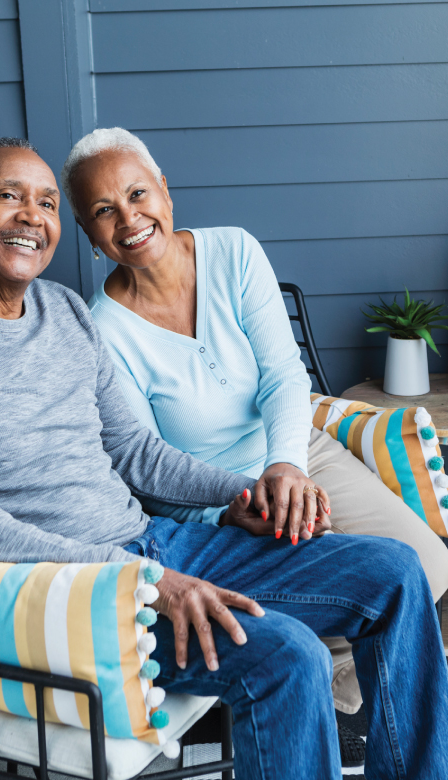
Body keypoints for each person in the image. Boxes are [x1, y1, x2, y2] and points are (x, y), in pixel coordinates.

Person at [0, 137, 448, 780]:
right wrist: (138, 582)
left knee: (393, 572)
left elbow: (134, 451)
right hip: (80, 591)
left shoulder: (60, 311)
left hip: (154, 544)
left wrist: (237, 495)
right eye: (9, 196)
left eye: (47, 202)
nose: (33, 215)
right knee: (288, 654)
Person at [61, 126, 448, 719]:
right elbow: (144, 465)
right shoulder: (102, 332)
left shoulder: (234, 250)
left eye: (138, 194)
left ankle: (349, 681)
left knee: (427, 564)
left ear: (165, 190)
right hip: (214, 505)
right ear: (89, 234)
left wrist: (287, 463)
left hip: (294, 450)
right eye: (104, 211)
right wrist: (226, 509)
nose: (129, 219)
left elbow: (283, 378)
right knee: (332, 599)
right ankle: (340, 684)